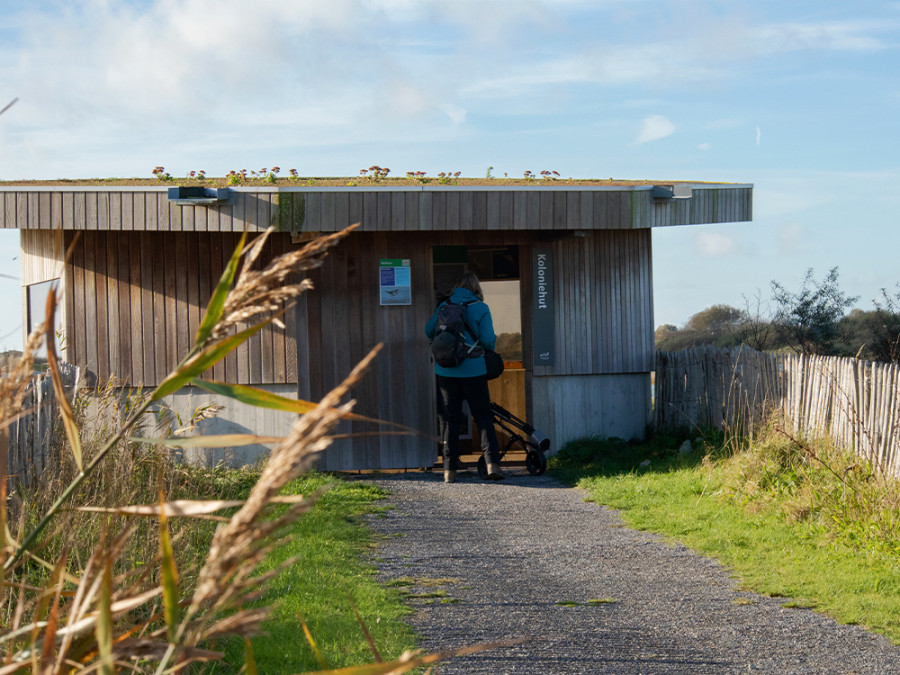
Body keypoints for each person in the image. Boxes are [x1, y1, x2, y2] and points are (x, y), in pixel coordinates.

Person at [425, 271, 504, 483]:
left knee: (449, 419)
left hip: (445, 371)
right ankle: (491, 464)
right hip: (474, 371)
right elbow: (488, 340)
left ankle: (449, 470)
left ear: (457, 287)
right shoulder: (481, 308)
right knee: (483, 417)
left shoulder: (444, 307)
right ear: (477, 288)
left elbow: (428, 330)